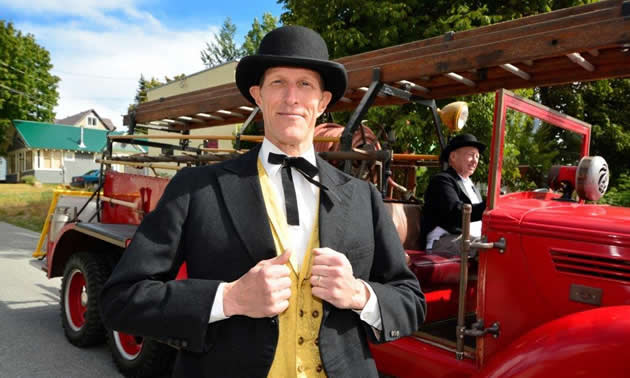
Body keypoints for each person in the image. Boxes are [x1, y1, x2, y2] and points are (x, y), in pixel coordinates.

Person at [100, 25, 425, 378]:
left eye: (305, 85)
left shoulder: (363, 196)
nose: (292, 98)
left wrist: (359, 294)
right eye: (278, 83)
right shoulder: (196, 188)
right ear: (257, 95)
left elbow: (410, 302)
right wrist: (228, 299)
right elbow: (121, 299)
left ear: (323, 102)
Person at [420, 133, 486, 253]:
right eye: (471, 155)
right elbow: (455, 212)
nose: (475, 161)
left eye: (477, 156)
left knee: (502, 244)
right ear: (453, 157)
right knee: (489, 248)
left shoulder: (472, 186)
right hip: (443, 240)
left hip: (469, 240)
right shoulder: (442, 180)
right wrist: (487, 206)